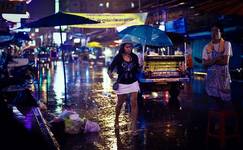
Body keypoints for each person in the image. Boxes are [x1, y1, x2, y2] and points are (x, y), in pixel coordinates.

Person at [107, 38, 140, 135]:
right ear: (123, 47)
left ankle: (133, 127)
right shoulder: (118, 57)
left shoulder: (134, 57)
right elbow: (110, 68)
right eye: (127, 47)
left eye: (131, 47)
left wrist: (140, 67)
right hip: (122, 83)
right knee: (120, 103)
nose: (129, 48)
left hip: (133, 82)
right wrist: (110, 74)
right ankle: (116, 119)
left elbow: (137, 69)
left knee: (134, 102)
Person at [202, 23, 233, 106]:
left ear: (221, 32)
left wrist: (210, 62)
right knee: (214, 102)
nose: (214, 33)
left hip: (223, 78)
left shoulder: (227, 44)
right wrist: (216, 58)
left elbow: (225, 62)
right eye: (212, 31)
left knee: (225, 102)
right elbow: (204, 63)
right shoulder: (207, 47)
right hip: (211, 78)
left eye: (216, 30)